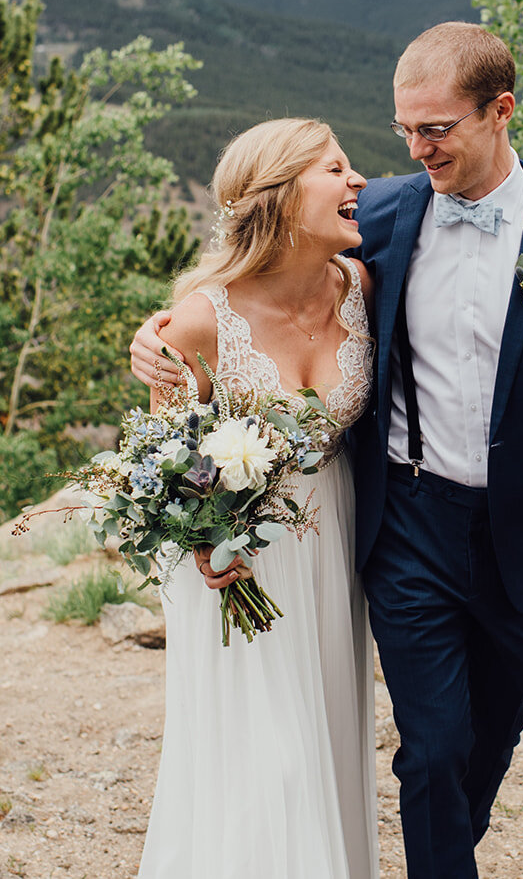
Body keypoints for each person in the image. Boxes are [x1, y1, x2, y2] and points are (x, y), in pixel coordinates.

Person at [133, 23, 523, 878]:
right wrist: (154, 340)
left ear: (501, 112)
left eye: (436, 131)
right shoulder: (378, 215)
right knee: (432, 750)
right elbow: (256, 274)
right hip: (405, 522)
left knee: (482, 750)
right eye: (402, 131)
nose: (413, 153)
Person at [135, 117, 378, 878]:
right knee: (266, 758)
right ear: (277, 197)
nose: (358, 182)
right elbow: (164, 465)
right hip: (236, 560)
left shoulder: (363, 285)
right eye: (335, 170)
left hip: (333, 537)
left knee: (325, 739)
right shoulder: (203, 319)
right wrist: (205, 543)